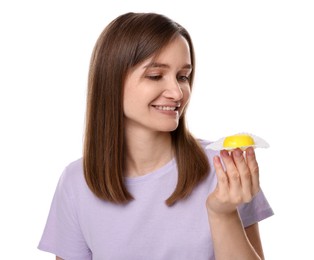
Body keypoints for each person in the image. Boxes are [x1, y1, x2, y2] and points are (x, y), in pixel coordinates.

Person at [38, 12, 273, 260]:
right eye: (155, 76)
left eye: (183, 76)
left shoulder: (225, 168)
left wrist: (223, 214)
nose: (177, 92)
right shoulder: (77, 183)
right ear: (111, 81)